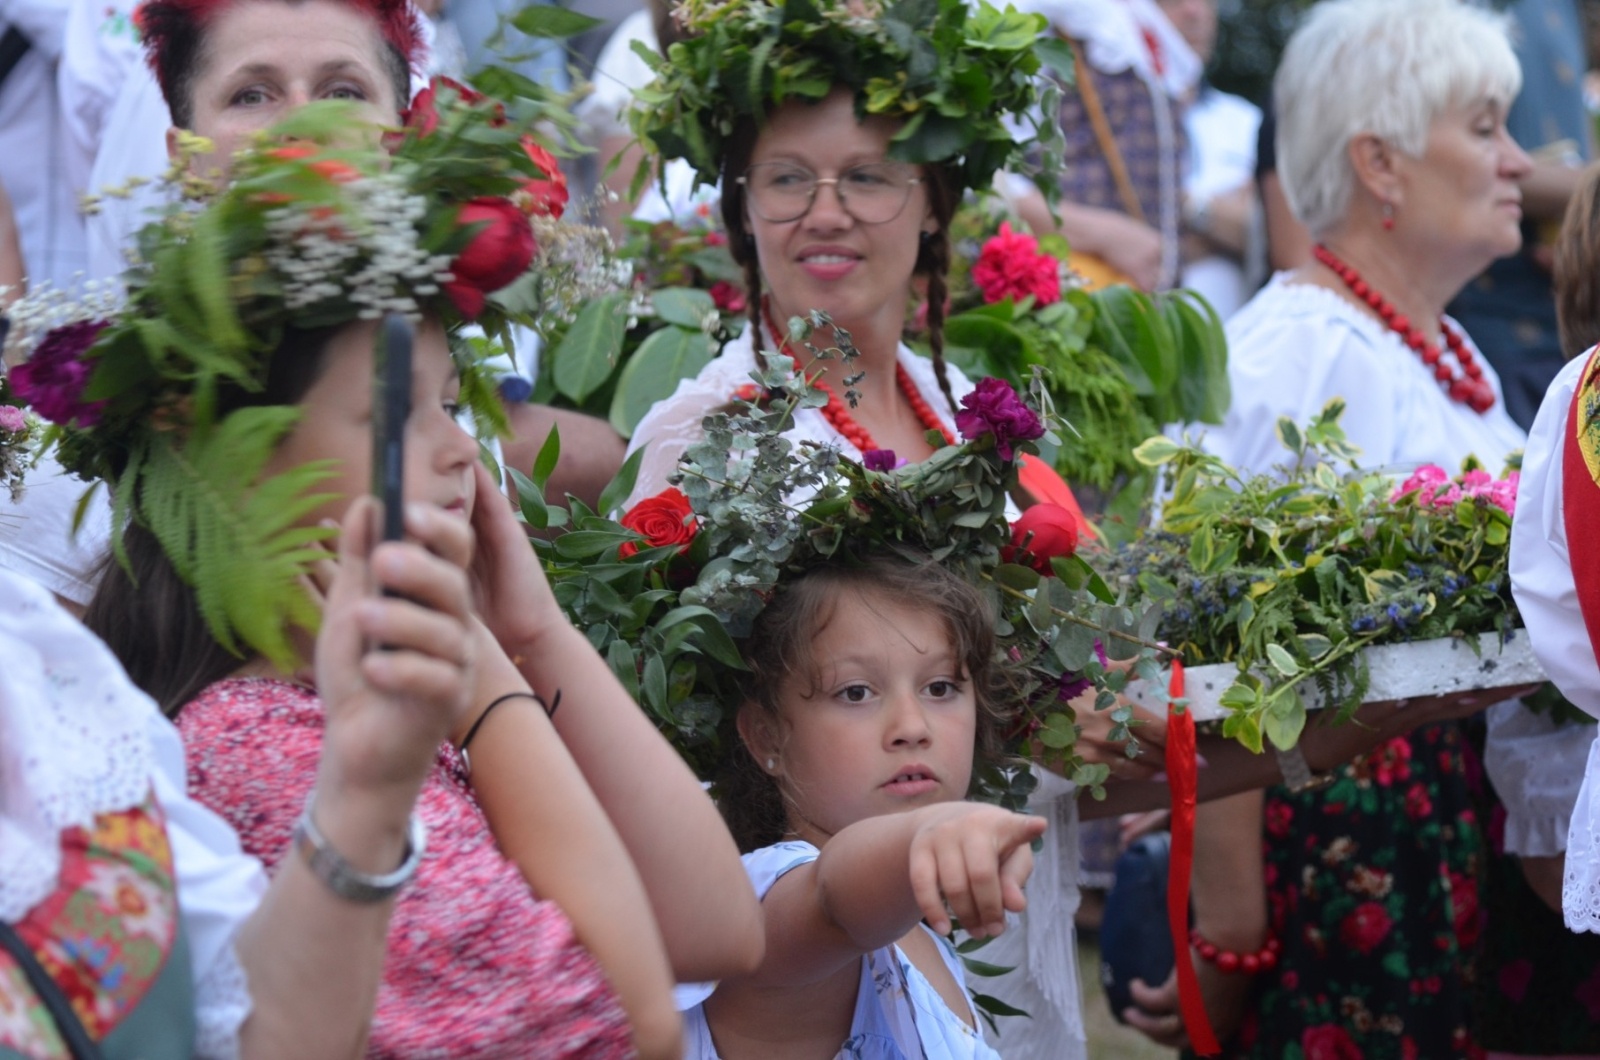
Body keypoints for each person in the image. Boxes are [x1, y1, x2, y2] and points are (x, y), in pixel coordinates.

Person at [9, 86, 761, 1057]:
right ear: (240, 472)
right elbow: (633, 1023)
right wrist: (486, 671)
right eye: (393, 416)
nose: (456, 452)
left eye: (451, 405)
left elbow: (718, 930)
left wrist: (530, 634)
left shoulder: (370, 698)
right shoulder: (269, 750)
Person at [1123, 2, 1538, 1055]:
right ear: (1379, 164)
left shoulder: (1446, 358)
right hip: (1330, 863)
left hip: (1430, 847)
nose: (1520, 161)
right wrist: (1227, 934)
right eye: (1484, 127)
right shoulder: (1293, 351)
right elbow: (1198, 654)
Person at [0, 474, 485, 1054]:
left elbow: (263, 1035)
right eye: (381, 412)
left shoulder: (37, 681)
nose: (462, 450)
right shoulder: (250, 738)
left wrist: (367, 791)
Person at [678, 557, 1046, 1059]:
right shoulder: (765, 904)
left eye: (940, 687)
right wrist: (931, 831)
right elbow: (835, 900)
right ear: (768, 737)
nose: (912, 726)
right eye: (856, 692)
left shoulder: (915, 933)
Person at [1445, 0, 1594, 432]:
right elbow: (1453, 161)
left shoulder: (1560, 10)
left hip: (1567, 316)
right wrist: (1587, 195)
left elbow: (1574, 143)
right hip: (1491, 320)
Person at [1008, 0, 1201, 293]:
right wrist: (1100, 233)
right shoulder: (1030, 13)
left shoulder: (1142, 20)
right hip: (1068, 282)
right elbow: (981, 170)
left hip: (1147, 290)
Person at [1157, 0, 1262, 319]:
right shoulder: (1102, 130)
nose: (1194, 12)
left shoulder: (1246, 122)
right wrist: (1225, 223)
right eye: (1173, 1)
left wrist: (1183, 208)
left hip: (1235, 353)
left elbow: (1275, 232)